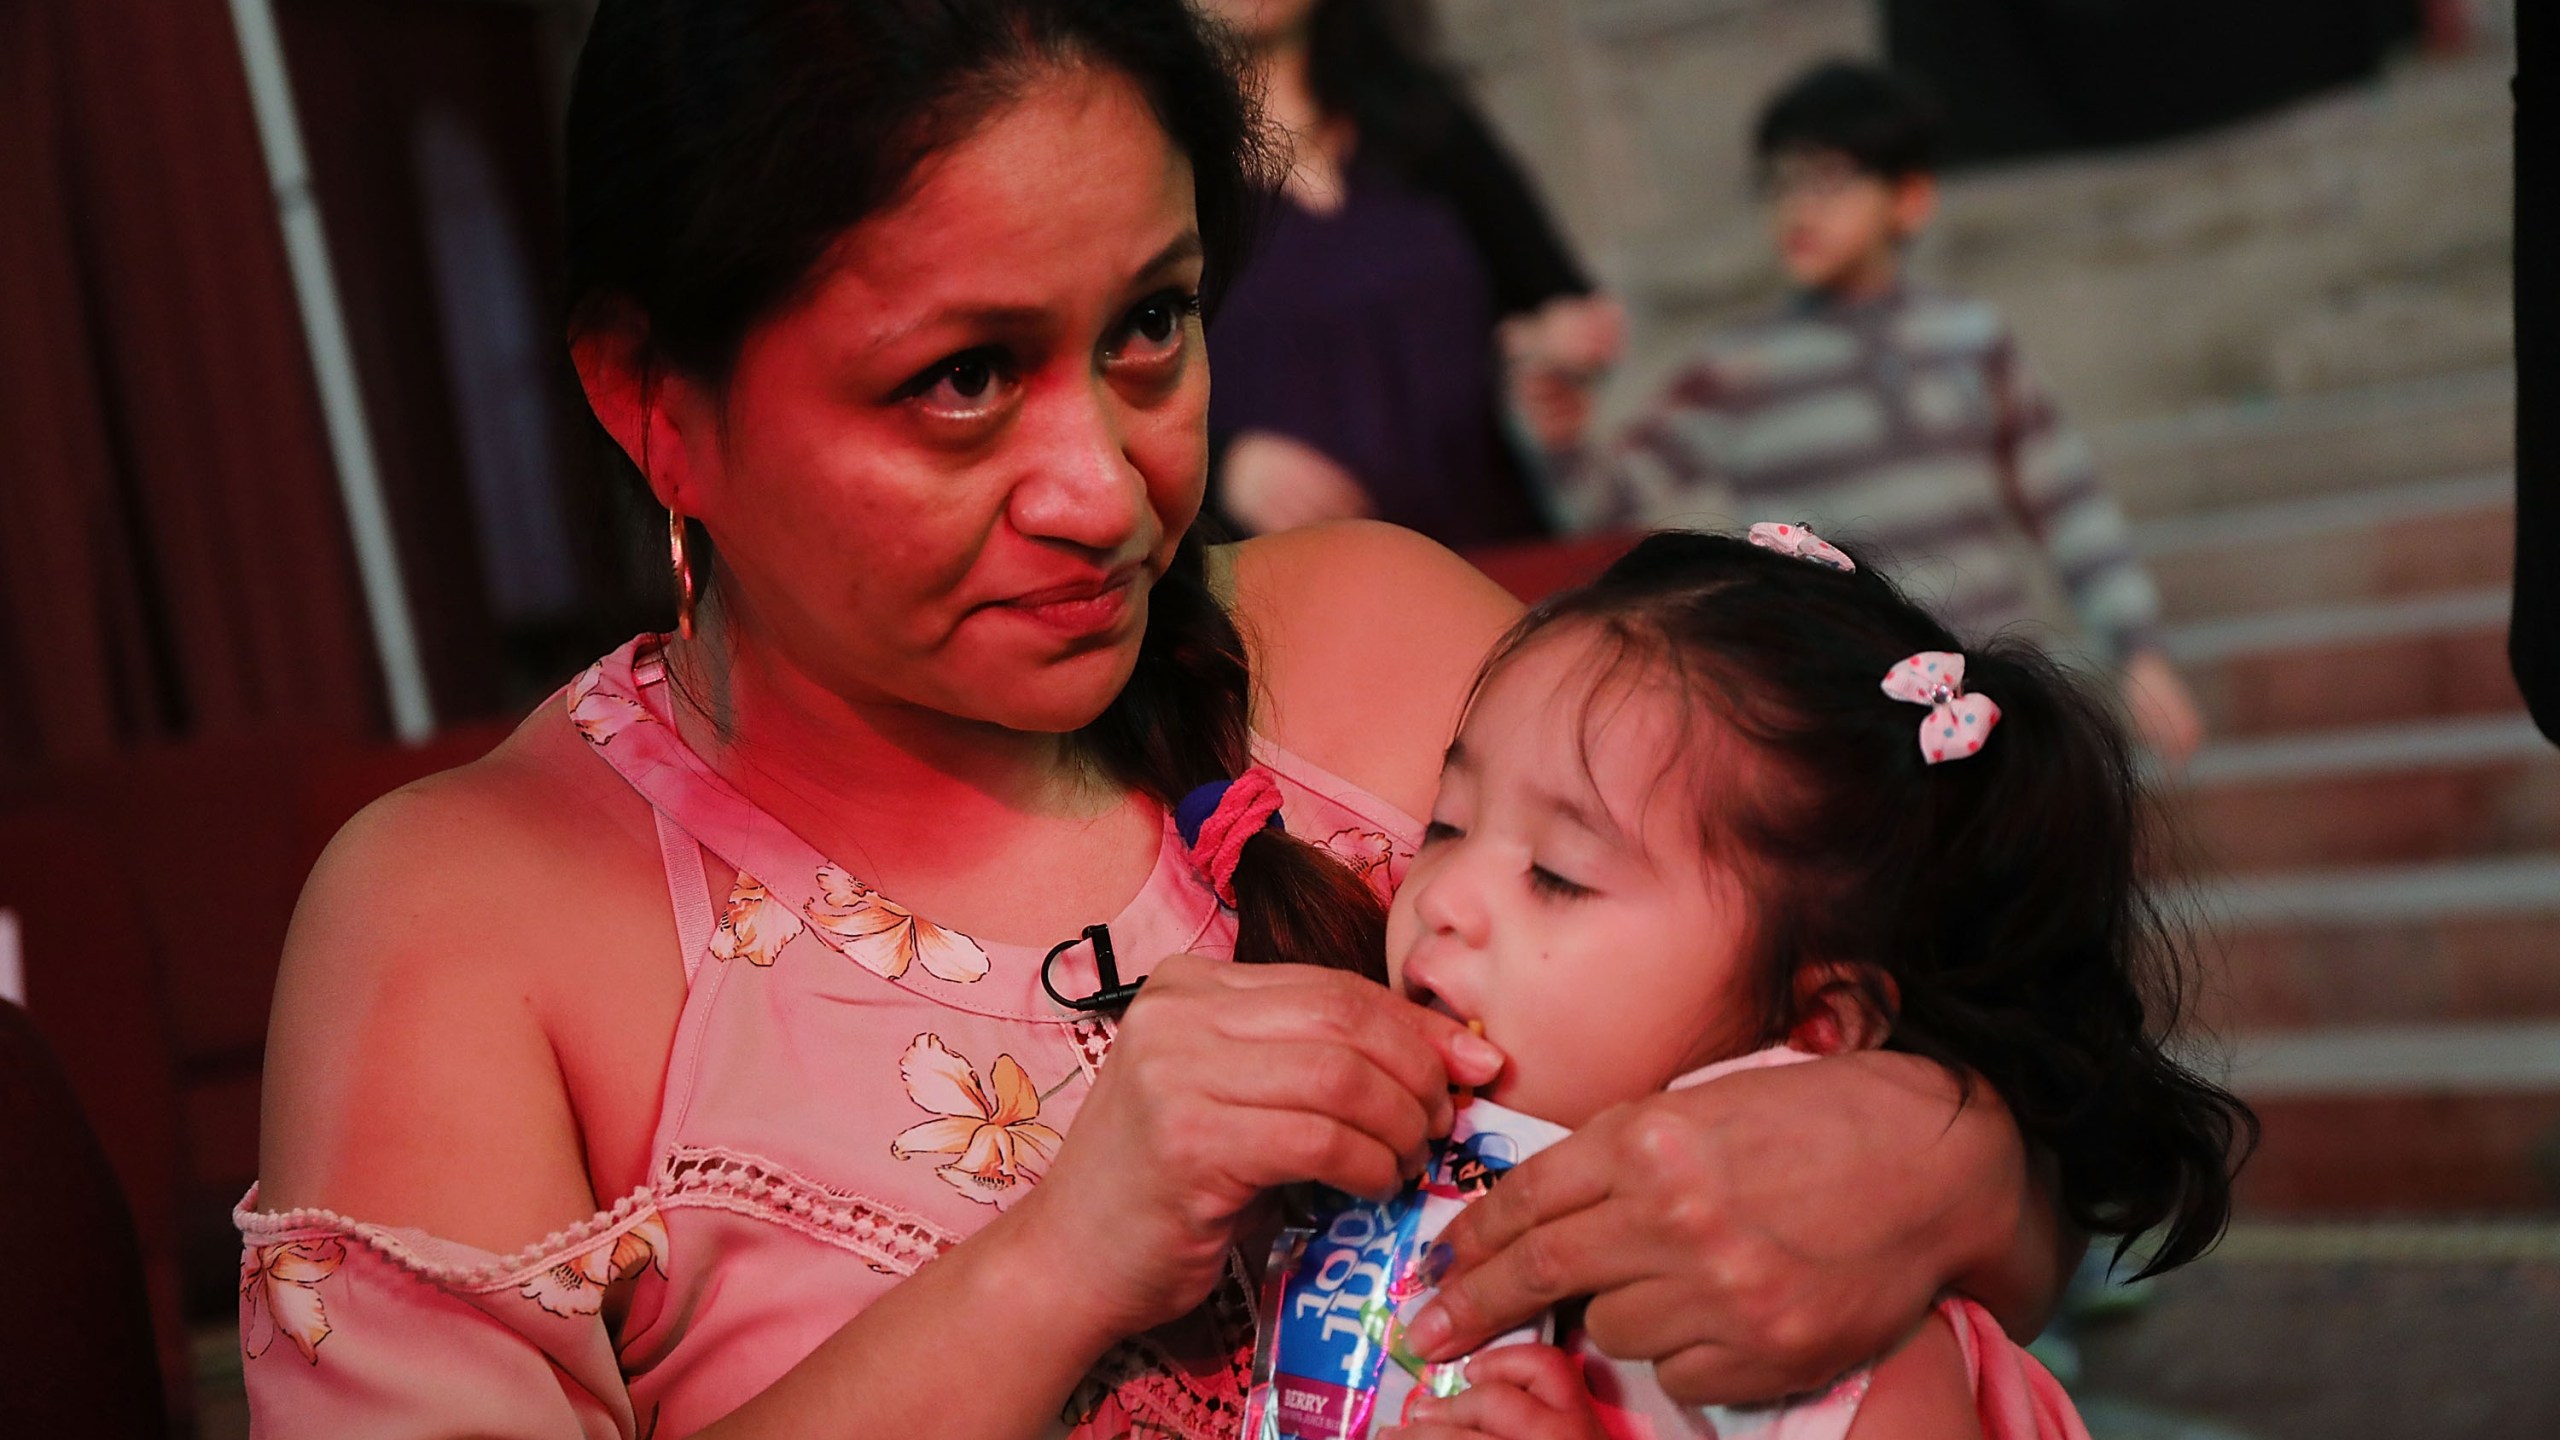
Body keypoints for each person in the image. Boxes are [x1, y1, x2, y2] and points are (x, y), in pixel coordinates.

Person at [239, 6, 2065, 1437]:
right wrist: (1061, 1259)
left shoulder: (1397, 667)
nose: (1104, 492)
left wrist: (1943, 1160)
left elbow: (2013, 1186)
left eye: (1151, 330)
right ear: (655, 403)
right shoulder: (470, 924)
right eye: (962, 381)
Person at [1303, 525, 2252, 1439]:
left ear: (1818, 1026)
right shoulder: (1375, 1194)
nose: (1442, 897)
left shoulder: (1826, 1333)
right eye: (1447, 825)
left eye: (1558, 873)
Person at [1526, 62, 2206, 767]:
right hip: (1839, 722)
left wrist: (2140, 651)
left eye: (1828, 180)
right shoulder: (1739, 367)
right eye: (1780, 183)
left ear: (1909, 199)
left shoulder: (1970, 338)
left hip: (1989, 698)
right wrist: (1562, 439)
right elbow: (1603, 507)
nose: (1798, 208)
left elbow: (2068, 503)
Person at [1198, 0, 1625, 545]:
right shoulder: (1166, 163)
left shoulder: (1423, 120)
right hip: (1292, 581)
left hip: (1494, 544)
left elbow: (1560, 305)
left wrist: (1550, 360)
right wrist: (1227, 466)